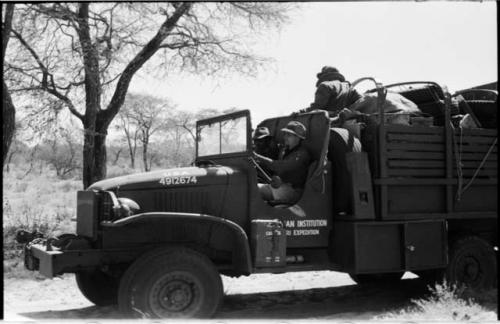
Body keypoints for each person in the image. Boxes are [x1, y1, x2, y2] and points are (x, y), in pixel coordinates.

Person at [254, 121, 312, 205]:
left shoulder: (301, 154)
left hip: (293, 191)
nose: (285, 137)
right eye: (285, 134)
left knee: (251, 190)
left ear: (298, 137)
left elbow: (280, 166)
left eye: (289, 135)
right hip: (282, 187)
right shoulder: (285, 151)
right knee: (249, 186)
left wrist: (258, 157)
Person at [297, 66, 363, 117]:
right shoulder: (350, 88)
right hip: (345, 122)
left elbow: (317, 107)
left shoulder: (325, 85)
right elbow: (361, 101)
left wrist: (299, 112)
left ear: (326, 76)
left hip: (327, 123)